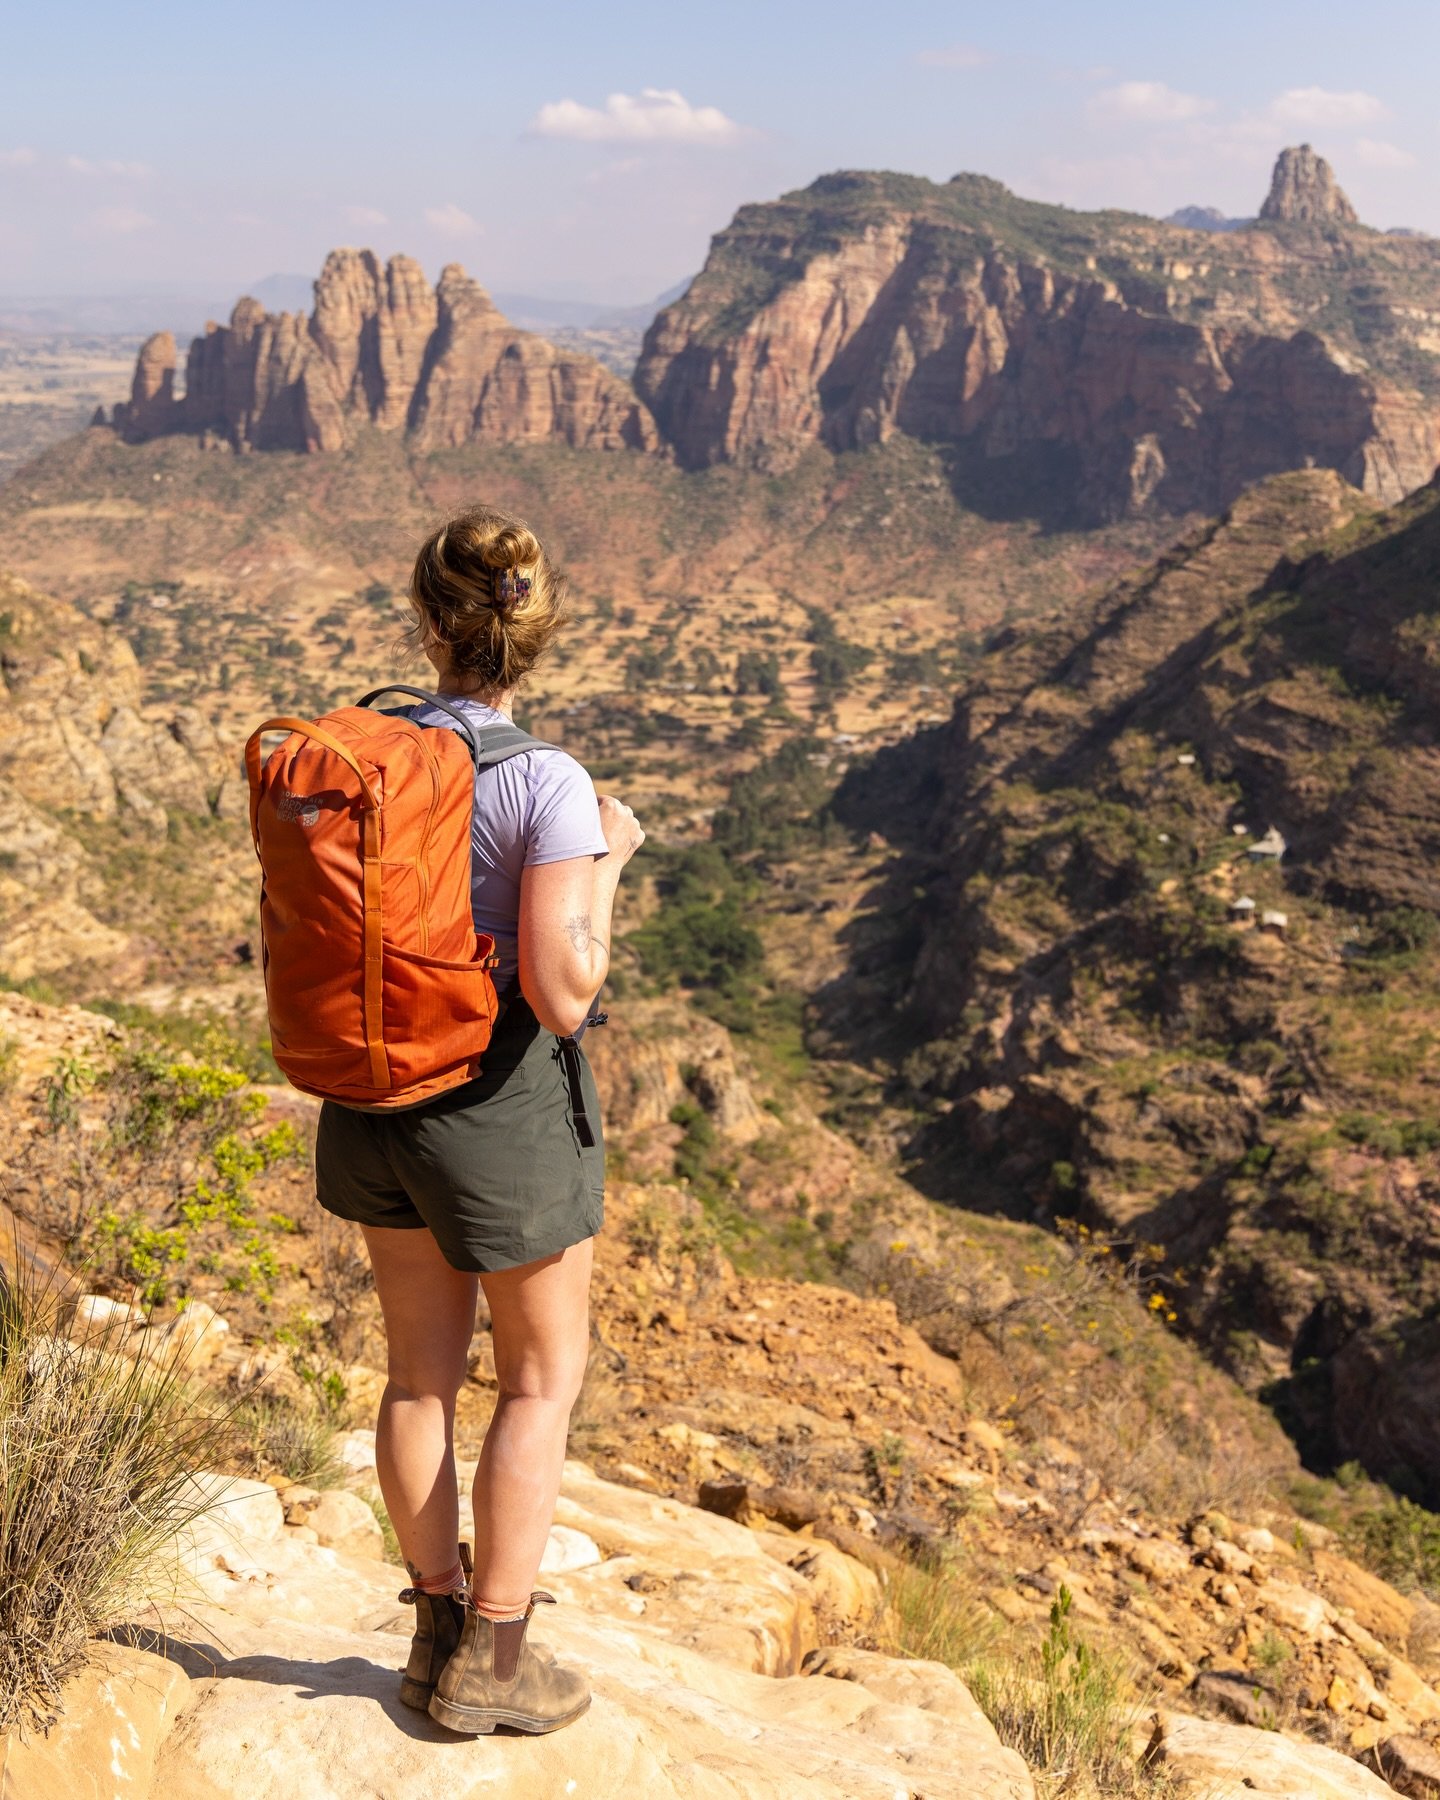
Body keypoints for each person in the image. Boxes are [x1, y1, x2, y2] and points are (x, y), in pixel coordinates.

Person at [312, 506, 643, 1735]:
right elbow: (564, 995)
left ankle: (434, 1632)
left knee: (416, 1377)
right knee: (542, 1380)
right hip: (491, 1115)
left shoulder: (365, 752)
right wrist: (607, 857)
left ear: (425, 620)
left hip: (370, 1099)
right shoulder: (545, 780)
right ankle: (496, 1666)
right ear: (536, 632)